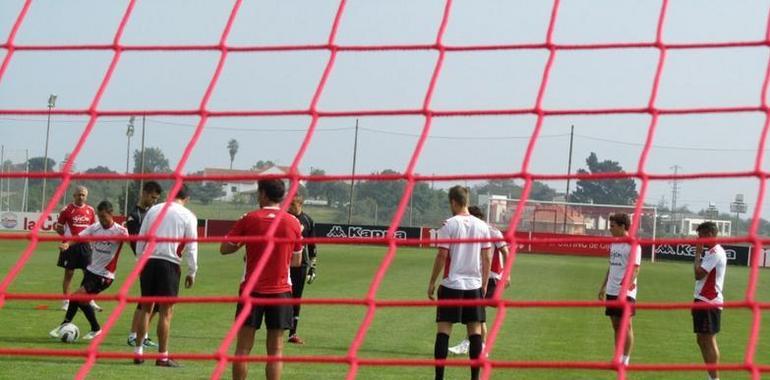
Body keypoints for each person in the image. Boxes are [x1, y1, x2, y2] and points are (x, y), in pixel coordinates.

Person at [220, 179, 303, 380]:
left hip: (252, 291)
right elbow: (297, 261)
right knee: (275, 351)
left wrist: (245, 243)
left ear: (264, 194)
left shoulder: (249, 218)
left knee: (243, 349)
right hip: (281, 291)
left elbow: (224, 248)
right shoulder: (293, 222)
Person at [427, 186, 491, 380]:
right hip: (474, 286)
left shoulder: (449, 224)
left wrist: (432, 282)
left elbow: (441, 254)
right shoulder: (482, 226)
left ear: (454, 202)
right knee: (475, 333)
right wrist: (485, 284)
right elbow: (487, 256)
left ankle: (439, 378)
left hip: (451, 285)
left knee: (443, 331)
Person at [133, 184, 198, 367]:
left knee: (146, 308)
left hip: (148, 260)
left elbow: (141, 237)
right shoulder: (187, 215)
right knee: (166, 312)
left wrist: (140, 260)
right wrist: (192, 271)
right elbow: (192, 246)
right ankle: (162, 356)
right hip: (169, 263)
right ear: (186, 198)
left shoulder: (154, 209)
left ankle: (138, 352)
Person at [50, 201, 128, 340]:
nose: (101, 219)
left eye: (104, 216)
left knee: (77, 297)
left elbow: (133, 243)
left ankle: (74, 325)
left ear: (111, 214)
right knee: (79, 300)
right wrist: (67, 244)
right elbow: (79, 238)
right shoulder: (96, 227)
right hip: (91, 271)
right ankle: (92, 328)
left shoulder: (120, 231)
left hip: (105, 275)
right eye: (99, 216)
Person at [448, 205, 509, 356]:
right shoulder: (476, 230)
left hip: (492, 278)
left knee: (477, 314)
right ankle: (474, 344)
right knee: (475, 314)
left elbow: (505, 251)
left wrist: (507, 274)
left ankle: (478, 346)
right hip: (478, 278)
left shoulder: (491, 231)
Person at [597, 213, 641, 366]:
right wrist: (603, 287)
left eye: (612, 226)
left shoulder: (633, 244)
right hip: (611, 290)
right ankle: (618, 356)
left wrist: (625, 288)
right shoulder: (614, 243)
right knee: (615, 325)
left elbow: (635, 270)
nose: (610, 229)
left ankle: (626, 359)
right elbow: (611, 267)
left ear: (623, 226)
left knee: (626, 325)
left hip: (626, 292)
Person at [125, 181, 163, 349]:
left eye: (157, 198)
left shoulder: (151, 212)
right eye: (153, 197)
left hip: (155, 260)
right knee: (146, 301)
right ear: (145, 193)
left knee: (156, 302)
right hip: (145, 261)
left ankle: (143, 333)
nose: (154, 201)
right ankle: (134, 335)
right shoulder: (135, 215)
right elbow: (135, 242)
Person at [54, 186, 98, 312]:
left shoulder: (90, 210)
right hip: (70, 246)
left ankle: (89, 300)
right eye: (79, 194)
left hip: (85, 246)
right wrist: (66, 239)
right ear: (74, 195)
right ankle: (66, 301)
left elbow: (94, 228)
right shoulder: (66, 209)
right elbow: (59, 227)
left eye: (83, 195)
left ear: (86, 196)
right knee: (69, 273)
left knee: (89, 274)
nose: (81, 197)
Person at [692, 221, 726, 380]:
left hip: (709, 301)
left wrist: (697, 254)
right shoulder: (712, 252)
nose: (699, 238)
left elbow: (699, 274)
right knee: (701, 339)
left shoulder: (715, 252)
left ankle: (715, 378)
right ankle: (710, 376)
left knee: (709, 339)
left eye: (701, 234)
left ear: (710, 234)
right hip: (702, 299)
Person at [287, 195, 317, 345]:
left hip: (301, 265)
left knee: (296, 298)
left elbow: (312, 246)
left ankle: (293, 333)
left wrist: (313, 267)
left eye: (293, 205)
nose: (290, 207)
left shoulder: (308, 221)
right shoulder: (284, 219)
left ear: (300, 205)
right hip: (284, 263)